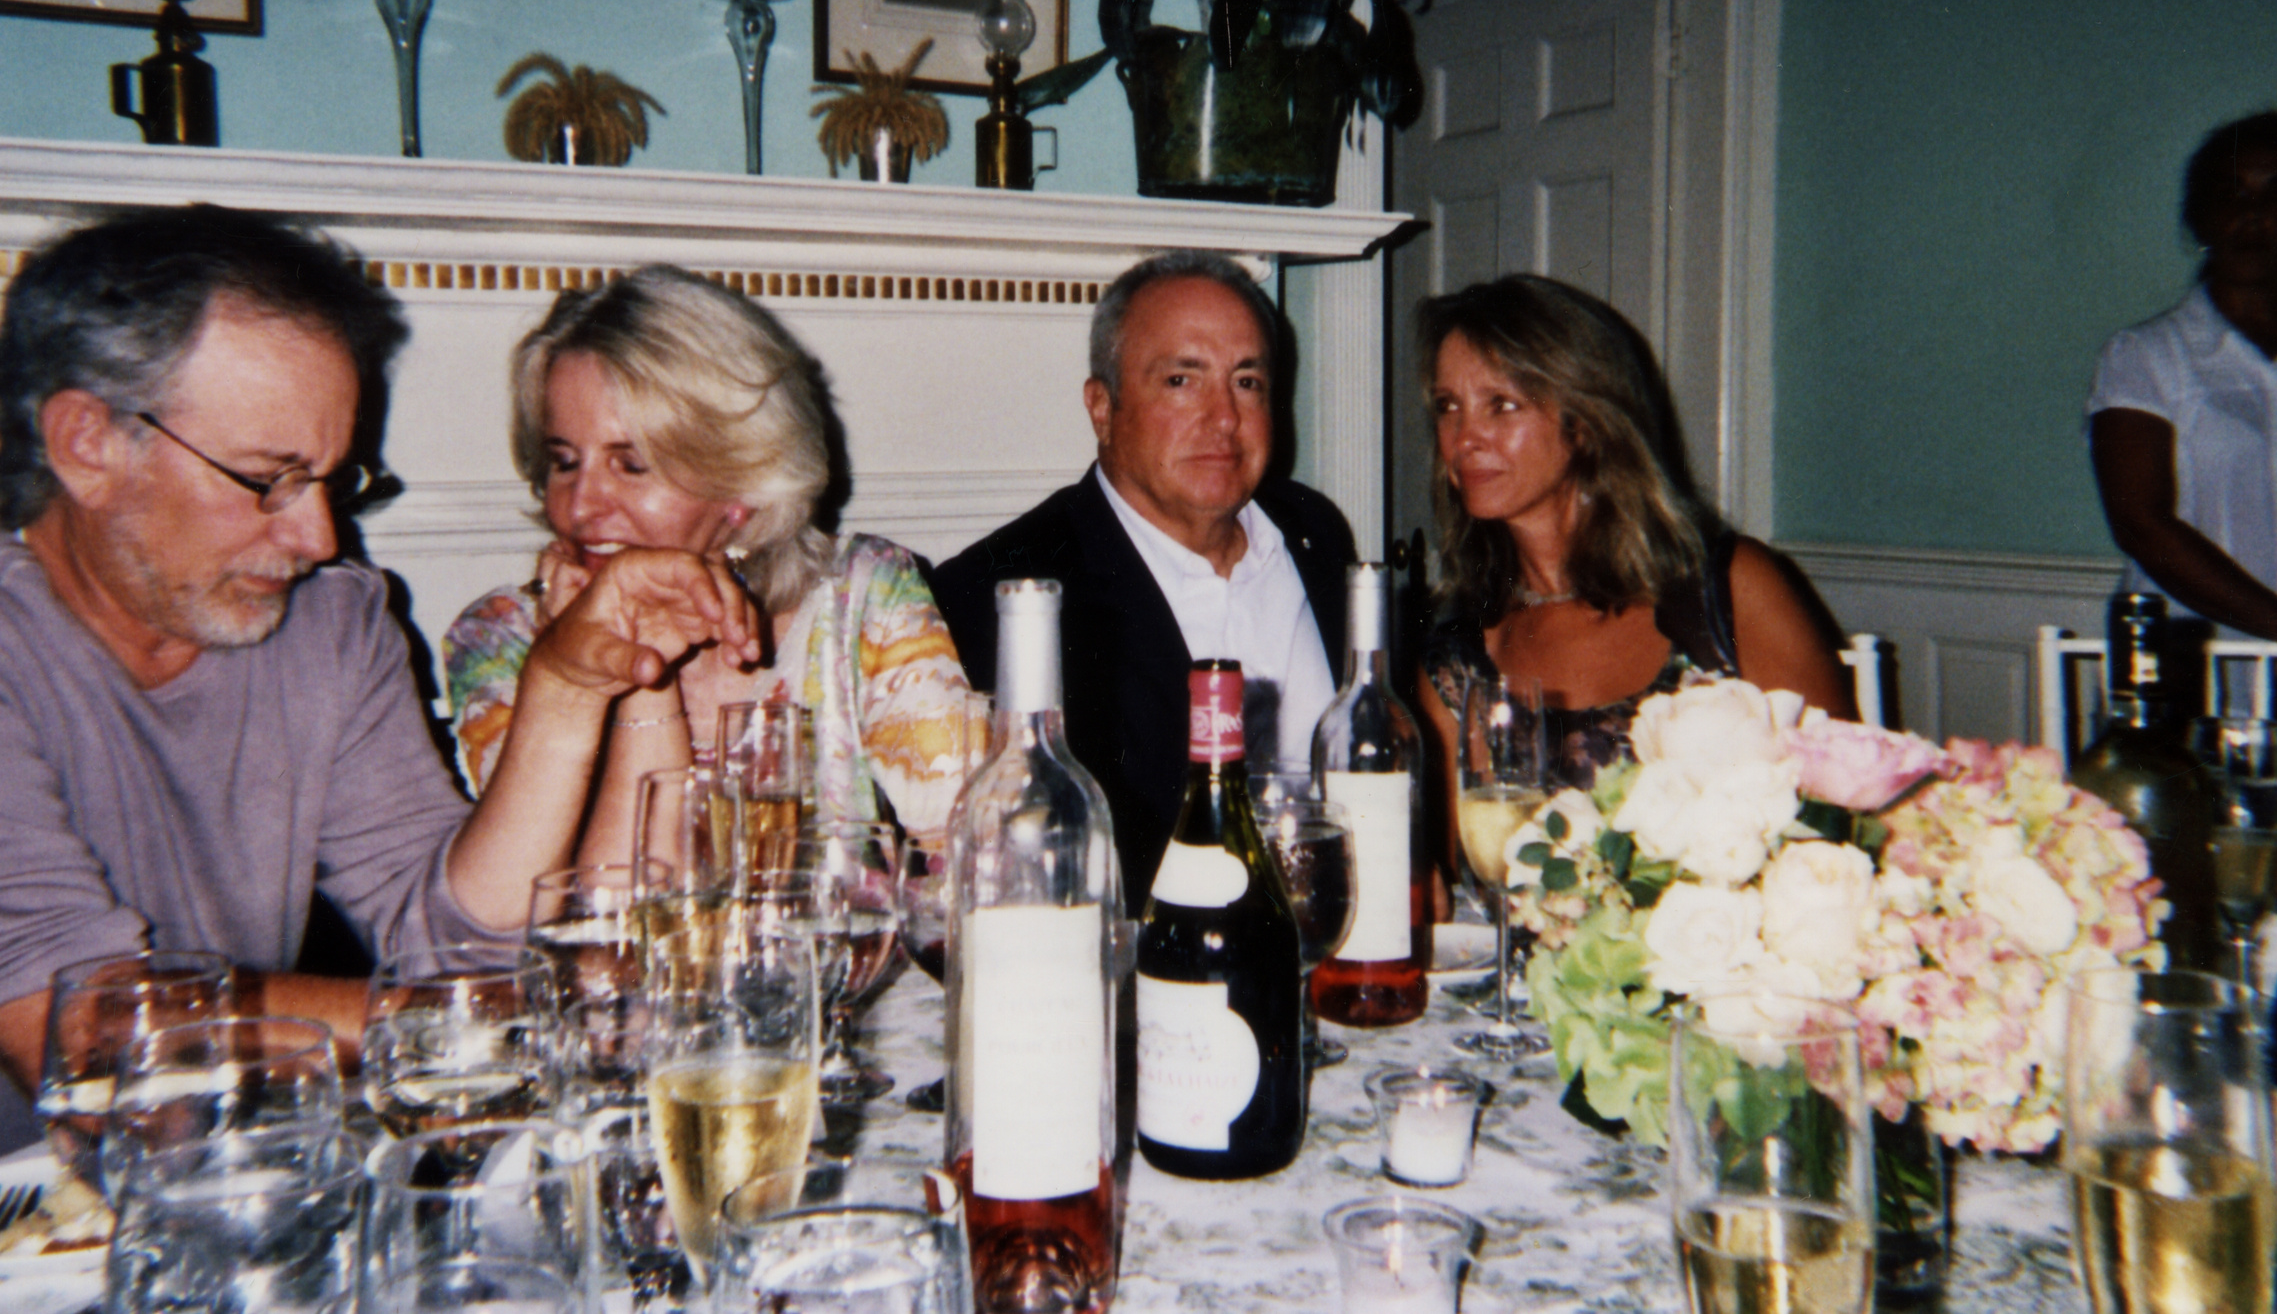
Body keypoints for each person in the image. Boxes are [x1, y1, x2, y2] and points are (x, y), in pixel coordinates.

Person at [0, 205, 739, 1139]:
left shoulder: (328, 624)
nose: (318, 537)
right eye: (268, 478)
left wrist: (564, 685)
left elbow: (452, 941)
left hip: (227, 1172)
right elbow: (79, 1035)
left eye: (330, 480)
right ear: (87, 443)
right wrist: (480, 1015)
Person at [443, 266, 972, 860]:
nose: (581, 506)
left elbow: (971, 849)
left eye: (631, 465)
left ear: (740, 482)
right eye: (564, 461)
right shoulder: (501, 641)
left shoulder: (861, 597)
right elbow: (554, 899)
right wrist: (612, 665)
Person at [931, 251, 1356, 894]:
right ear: (1102, 409)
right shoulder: (999, 597)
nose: (1225, 418)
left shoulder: (1315, 534)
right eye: (1182, 381)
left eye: (1247, 382)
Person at [1415, 275, 1852, 795]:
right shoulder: (1458, 659)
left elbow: (1845, 810)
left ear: (1586, 420)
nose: (1464, 438)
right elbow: (1456, 847)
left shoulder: (1731, 593)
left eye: (1501, 404)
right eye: (1447, 406)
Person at [2088, 110, 2277, 642]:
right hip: (2185, 666)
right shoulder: (2143, 355)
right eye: (2231, 193)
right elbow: (2142, 525)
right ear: (2201, 217)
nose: (2251, 214)